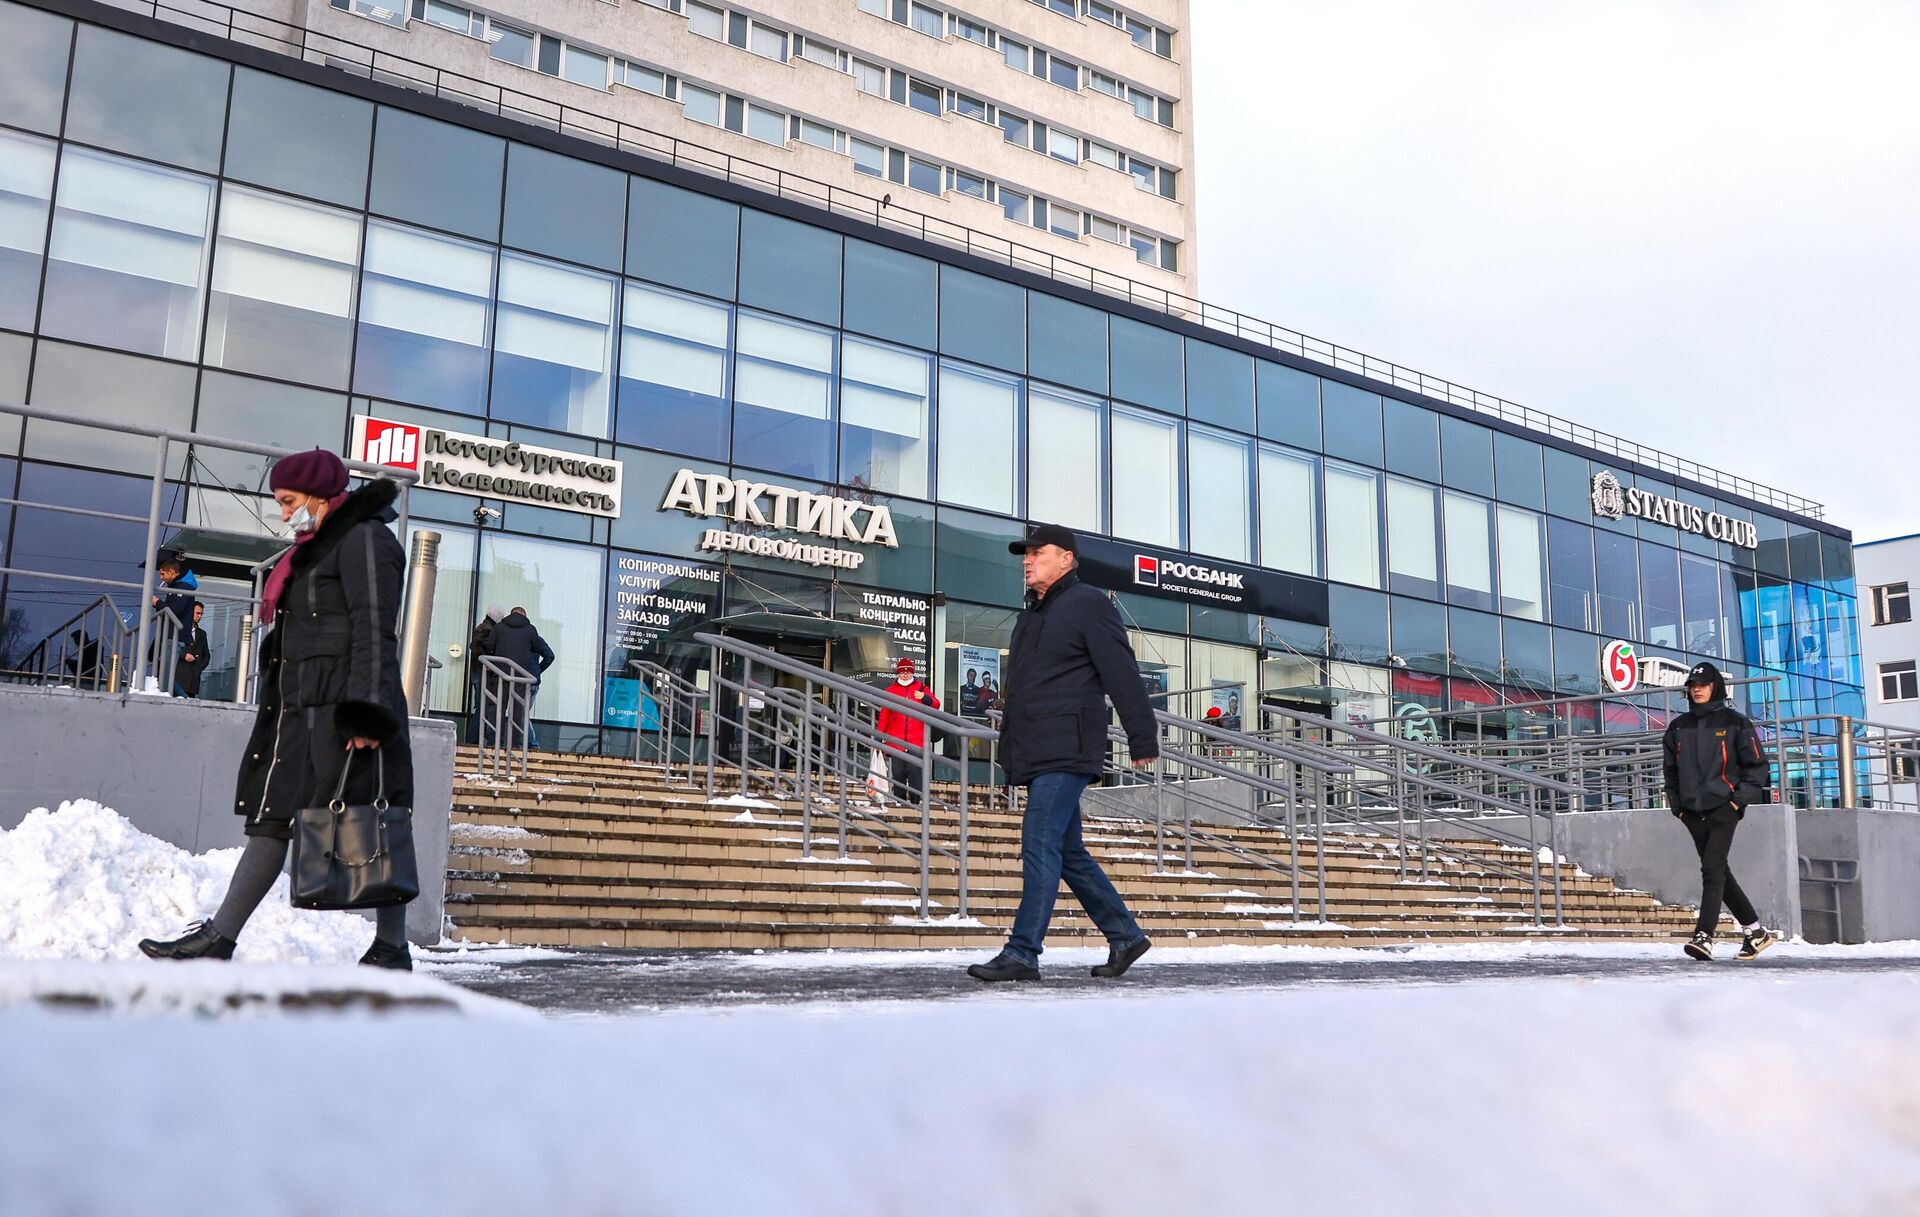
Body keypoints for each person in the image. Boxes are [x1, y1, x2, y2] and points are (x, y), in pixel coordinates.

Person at [138, 448, 416, 969]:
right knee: (271, 817)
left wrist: (366, 711)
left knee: (370, 813)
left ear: (318, 492)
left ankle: (392, 946)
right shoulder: (314, 549)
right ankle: (219, 938)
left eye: (289, 501)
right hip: (297, 709)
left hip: (344, 710)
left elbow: (375, 629)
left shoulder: (366, 539)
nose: (285, 513)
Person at [968, 524, 1158, 983]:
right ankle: (1126, 936)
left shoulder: (1088, 603)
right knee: (1067, 850)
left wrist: (1142, 736)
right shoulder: (1031, 616)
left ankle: (1023, 951)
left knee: (1038, 840)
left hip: (1068, 749)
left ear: (1067, 559)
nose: (1027, 560)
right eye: (1025, 555)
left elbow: (1122, 672)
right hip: (1038, 747)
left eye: (1038, 553)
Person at [1662, 661, 1776, 962]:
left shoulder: (1735, 723)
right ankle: (1755, 931)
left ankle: (1704, 935)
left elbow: (1758, 767)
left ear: (1716, 687)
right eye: (1692, 685)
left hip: (1724, 807)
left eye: (1703, 684)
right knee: (1719, 872)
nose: (1697, 689)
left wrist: (1738, 801)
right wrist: (1678, 807)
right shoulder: (1678, 727)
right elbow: (1670, 772)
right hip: (1692, 812)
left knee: (1712, 868)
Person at [486, 606, 555, 748]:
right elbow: (544, 652)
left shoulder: (499, 628)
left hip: (501, 675)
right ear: (524, 616)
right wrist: (536, 672)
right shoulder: (530, 630)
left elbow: (489, 647)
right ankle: (515, 745)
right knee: (518, 712)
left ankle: (493, 743)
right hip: (521, 677)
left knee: (497, 709)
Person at [875, 657, 941, 803]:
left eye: (908, 672)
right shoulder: (890, 691)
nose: (905, 674)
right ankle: (899, 801)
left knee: (915, 771)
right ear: (898, 673)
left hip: (916, 740)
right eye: (902, 672)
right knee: (898, 773)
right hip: (895, 740)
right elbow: (884, 717)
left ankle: (916, 801)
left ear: (912, 673)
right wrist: (879, 736)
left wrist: (925, 698)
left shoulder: (922, 688)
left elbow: (936, 704)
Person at [174, 601, 212, 698]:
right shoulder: (177, 629)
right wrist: (183, 655)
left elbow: (206, 655)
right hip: (177, 679)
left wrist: (198, 668)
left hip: (192, 682)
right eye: (197, 613)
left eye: (201, 614)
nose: (200, 616)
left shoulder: (202, 634)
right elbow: (169, 647)